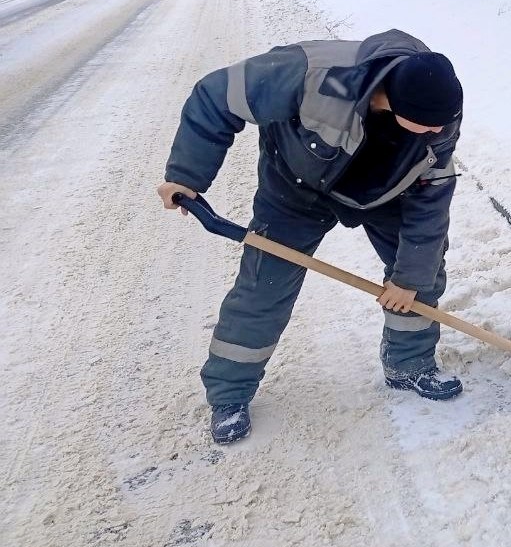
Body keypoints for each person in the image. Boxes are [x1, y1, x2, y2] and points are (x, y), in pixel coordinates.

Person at [156, 29, 464, 444]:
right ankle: (229, 395)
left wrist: (408, 279)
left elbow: (431, 202)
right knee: (263, 286)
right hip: (296, 190)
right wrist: (186, 178)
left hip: (388, 195)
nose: (438, 133)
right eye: (427, 127)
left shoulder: (440, 115)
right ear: (393, 100)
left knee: (422, 274)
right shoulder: (313, 74)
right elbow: (216, 95)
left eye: (442, 126)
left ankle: (409, 366)